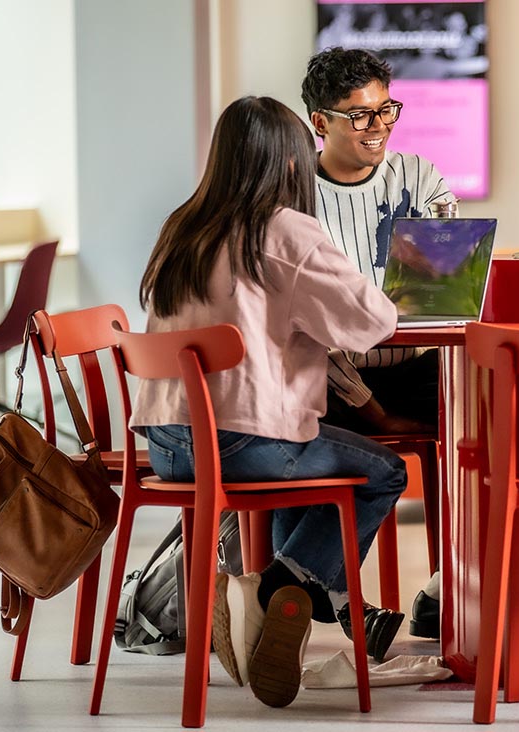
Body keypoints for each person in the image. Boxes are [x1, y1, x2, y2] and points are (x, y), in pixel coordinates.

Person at [130, 96, 408, 708]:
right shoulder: (284, 229)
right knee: (385, 470)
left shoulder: (182, 227)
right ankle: (272, 589)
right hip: (242, 444)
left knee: (305, 453)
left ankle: (284, 593)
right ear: (288, 162)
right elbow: (374, 321)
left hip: (168, 447)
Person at [301, 46, 452, 639]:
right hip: (332, 383)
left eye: (387, 110)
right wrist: (369, 403)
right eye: (360, 115)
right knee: (299, 405)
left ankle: (452, 587)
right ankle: (311, 591)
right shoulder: (293, 197)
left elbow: (444, 294)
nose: (378, 128)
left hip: (413, 368)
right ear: (321, 122)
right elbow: (309, 331)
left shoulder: (419, 176)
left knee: (488, 417)